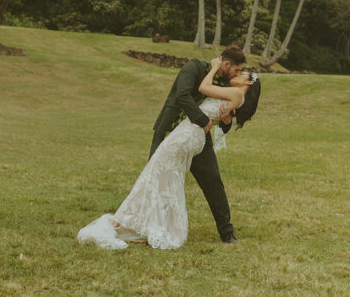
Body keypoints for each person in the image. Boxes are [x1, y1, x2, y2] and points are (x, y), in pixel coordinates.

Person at [77, 52, 261, 250]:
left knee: (213, 181)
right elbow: (182, 95)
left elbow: (226, 114)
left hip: (197, 136)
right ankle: (145, 226)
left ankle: (227, 231)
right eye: (236, 68)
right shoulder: (194, 67)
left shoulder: (227, 83)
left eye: (240, 72)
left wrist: (226, 120)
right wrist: (204, 120)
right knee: (153, 179)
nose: (237, 73)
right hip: (169, 131)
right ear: (225, 63)